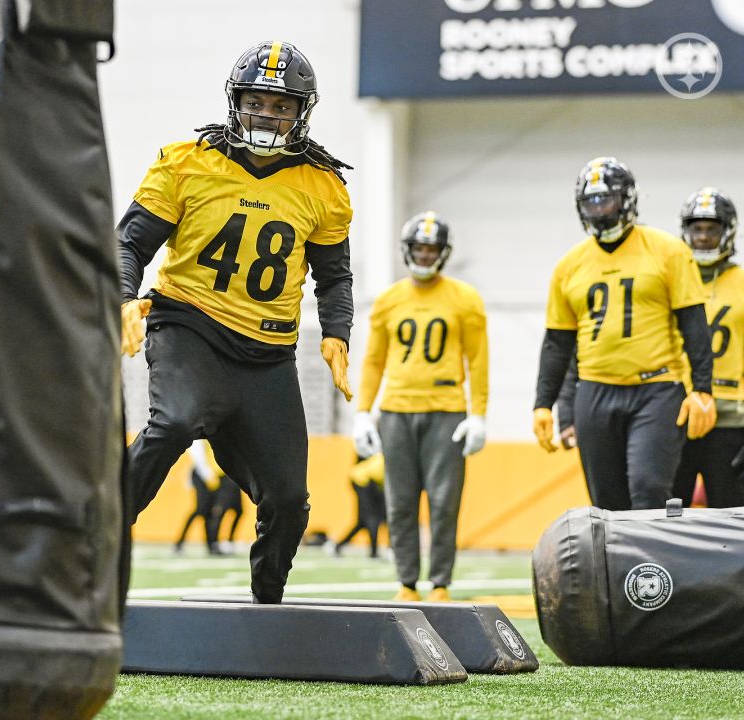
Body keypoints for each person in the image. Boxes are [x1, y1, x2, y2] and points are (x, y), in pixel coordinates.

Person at [119, 41, 355, 604]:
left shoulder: (324, 187)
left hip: (268, 356)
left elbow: (335, 277)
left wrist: (338, 333)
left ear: (302, 112)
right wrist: (125, 296)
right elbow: (130, 243)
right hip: (190, 326)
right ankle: (91, 550)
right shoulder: (186, 161)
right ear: (235, 101)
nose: (267, 115)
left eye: (281, 106)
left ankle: (266, 602)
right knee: (172, 424)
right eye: (256, 101)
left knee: (289, 500)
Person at [532, 157, 717, 511]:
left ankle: (651, 568)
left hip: (657, 389)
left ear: (628, 199)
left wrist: (702, 389)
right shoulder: (569, 265)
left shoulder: (668, 251)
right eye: (591, 202)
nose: (600, 210)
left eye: (607, 200)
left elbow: (694, 326)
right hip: (595, 389)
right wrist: (544, 403)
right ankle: (618, 570)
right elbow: (558, 343)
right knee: (606, 503)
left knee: (649, 489)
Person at [352, 212, 488, 602]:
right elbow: (374, 360)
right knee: (400, 501)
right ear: (407, 251)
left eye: (431, 249)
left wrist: (478, 413)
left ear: (443, 253)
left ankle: (441, 582)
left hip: (447, 409)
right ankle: (407, 582)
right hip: (395, 410)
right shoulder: (389, 299)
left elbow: (477, 360)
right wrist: (363, 411)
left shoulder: (465, 298)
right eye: (419, 248)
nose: (425, 255)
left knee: (445, 502)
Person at [671, 188, 744, 507]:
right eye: (697, 228)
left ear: (728, 231)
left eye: (712, 229)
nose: (703, 237)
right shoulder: (670, 279)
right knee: (667, 518)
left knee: (731, 523)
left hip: (730, 419)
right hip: (677, 412)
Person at [174, 440, 233, 556]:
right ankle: (179, 543)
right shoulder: (201, 432)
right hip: (202, 475)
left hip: (214, 475)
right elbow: (197, 455)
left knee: (211, 511)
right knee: (200, 509)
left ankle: (211, 545)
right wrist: (208, 476)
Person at [330, 451, 386, 559]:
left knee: (363, 521)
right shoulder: (385, 464)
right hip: (362, 482)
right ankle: (374, 553)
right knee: (372, 519)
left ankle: (338, 545)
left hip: (365, 482)